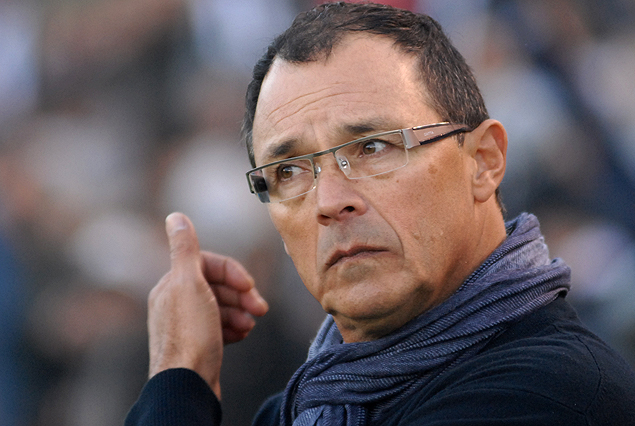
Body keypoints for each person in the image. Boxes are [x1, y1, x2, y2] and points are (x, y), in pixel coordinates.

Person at [125, 2, 635, 425]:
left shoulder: (548, 394)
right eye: (288, 171)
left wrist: (178, 373)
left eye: (373, 147)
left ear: (483, 161)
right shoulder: (302, 406)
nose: (329, 201)